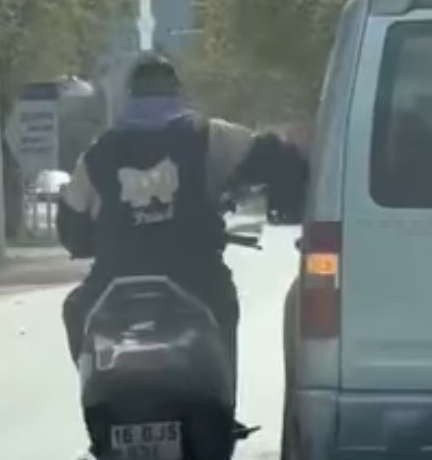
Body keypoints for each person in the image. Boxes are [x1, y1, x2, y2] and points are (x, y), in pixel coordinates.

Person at [56, 53, 308, 402]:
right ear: (177, 92)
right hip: (195, 278)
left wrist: (91, 241)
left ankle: (99, 394)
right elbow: (272, 158)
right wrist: (295, 192)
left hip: (115, 283)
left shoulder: (98, 153)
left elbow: (71, 227)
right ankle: (221, 404)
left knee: (77, 310)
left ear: (131, 96)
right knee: (223, 309)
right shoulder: (209, 136)